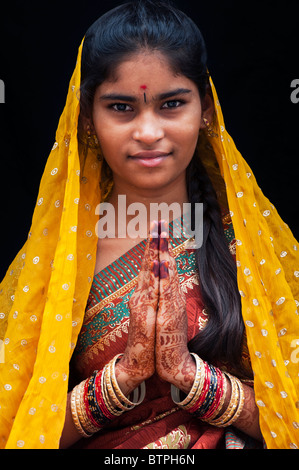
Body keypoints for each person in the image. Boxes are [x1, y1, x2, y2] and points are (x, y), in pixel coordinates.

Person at [0, 0, 298, 450]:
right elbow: (15, 431)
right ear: (87, 120)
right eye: (122, 107)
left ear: (205, 110)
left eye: (171, 104)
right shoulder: (50, 269)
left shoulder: (254, 251)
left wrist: (191, 376)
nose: (148, 131)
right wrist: (122, 378)